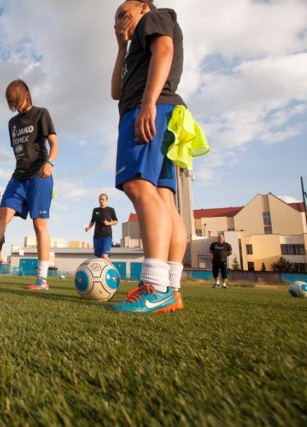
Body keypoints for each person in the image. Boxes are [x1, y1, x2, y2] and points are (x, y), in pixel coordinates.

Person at [110, 0, 188, 312]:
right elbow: (115, 91)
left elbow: (165, 50)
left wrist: (147, 104)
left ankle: (155, 286)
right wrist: (121, 46)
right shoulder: (134, 44)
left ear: (143, 6)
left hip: (151, 109)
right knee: (164, 198)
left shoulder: (153, 18)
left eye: (122, 13)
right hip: (165, 111)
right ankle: (173, 288)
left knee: (138, 186)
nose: (118, 21)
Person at [0, 79, 59, 291]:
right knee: (2, 215)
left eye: (17, 100)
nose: (15, 105)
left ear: (27, 93)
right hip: (18, 177)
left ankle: (42, 279)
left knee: (39, 225)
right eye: (11, 103)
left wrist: (50, 163)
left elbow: (54, 144)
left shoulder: (41, 114)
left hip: (40, 176)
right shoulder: (12, 123)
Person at [84, 193, 118, 262]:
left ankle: (114, 271)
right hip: (96, 237)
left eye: (103, 199)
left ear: (106, 200)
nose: (101, 201)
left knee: (104, 255)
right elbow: (92, 221)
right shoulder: (95, 210)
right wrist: (88, 227)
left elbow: (116, 221)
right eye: (100, 199)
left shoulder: (110, 210)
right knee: (98, 257)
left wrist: (108, 223)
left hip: (107, 236)